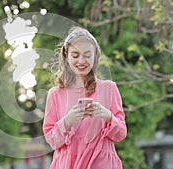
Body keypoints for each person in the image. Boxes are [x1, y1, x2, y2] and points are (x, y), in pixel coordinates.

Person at [43, 26, 127, 169]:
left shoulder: (109, 88)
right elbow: (52, 140)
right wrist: (68, 120)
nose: (81, 61)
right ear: (66, 56)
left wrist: (108, 116)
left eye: (87, 55)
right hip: (67, 164)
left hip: (101, 164)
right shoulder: (55, 94)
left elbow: (120, 134)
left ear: (95, 57)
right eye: (75, 55)